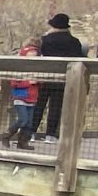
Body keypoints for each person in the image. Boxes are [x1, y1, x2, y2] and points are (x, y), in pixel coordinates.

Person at [32, 13, 85, 141]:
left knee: (39, 105)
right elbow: (78, 58)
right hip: (64, 77)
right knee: (56, 106)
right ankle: (50, 135)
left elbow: (40, 54)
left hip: (46, 75)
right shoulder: (74, 42)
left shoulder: (46, 40)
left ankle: (31, 132)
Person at [1, 36, 40, 149]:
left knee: (29, 123)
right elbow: (14, 83)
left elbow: (41, 82)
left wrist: (38, 81)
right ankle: (7, 134)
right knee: (23, 119)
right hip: (20, 96)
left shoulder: (38, 68)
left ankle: (22, 142)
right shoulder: (19, 66)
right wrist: (29, 82)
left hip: (32, 97)